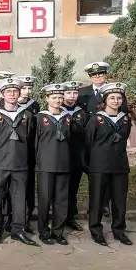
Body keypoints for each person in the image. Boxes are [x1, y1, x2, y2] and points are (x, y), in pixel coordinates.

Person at [0, 77, 37, 247]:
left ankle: (18, 230)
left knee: (19, 198)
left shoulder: (27, 115)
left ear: (19, 93)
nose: (12, 94)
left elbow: (31, 140)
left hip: (20, 163)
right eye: (8, 91)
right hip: (0, 163)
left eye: (15, 91)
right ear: (2, 94)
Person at [85, 82, 133, 246]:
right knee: (97, 200)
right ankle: (96, 231)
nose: (116, 101)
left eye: (119, 98)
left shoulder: (125, 119)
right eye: (112, 98)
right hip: (99, 166)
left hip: (120, 165)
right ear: (105, 100)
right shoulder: (96, 119)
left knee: (120, 200)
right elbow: (88, 143)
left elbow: (125, 138)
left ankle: (119, 231)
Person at [35, 84, 72, 245]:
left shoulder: (67, 118)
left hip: (63, 164)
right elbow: (34, 142)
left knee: (61, 200)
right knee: (45, 199)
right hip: (45, 165)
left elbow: (71, 141)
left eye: (60, 97)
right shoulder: (39, 118)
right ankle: (43, 231)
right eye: (54, 97)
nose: (57, 100)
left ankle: (58, 231)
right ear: (47, 99)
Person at [61, 80, 87, 231]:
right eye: (68, 93)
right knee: (59, 188)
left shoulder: (81, 113)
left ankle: (70, 217)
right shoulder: (57, 111)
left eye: (75, 93)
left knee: (72, 189)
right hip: (60, 157)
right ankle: (59, 216)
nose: (72, 96)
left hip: (76, 158)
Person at [16, 75, 40, 232]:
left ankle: (27, 215)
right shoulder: (9, 105)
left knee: (29, 184)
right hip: (14, 152)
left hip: (30, 150)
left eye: (29, 88)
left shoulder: (35, 105)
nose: (26, 91)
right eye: (24, 88)